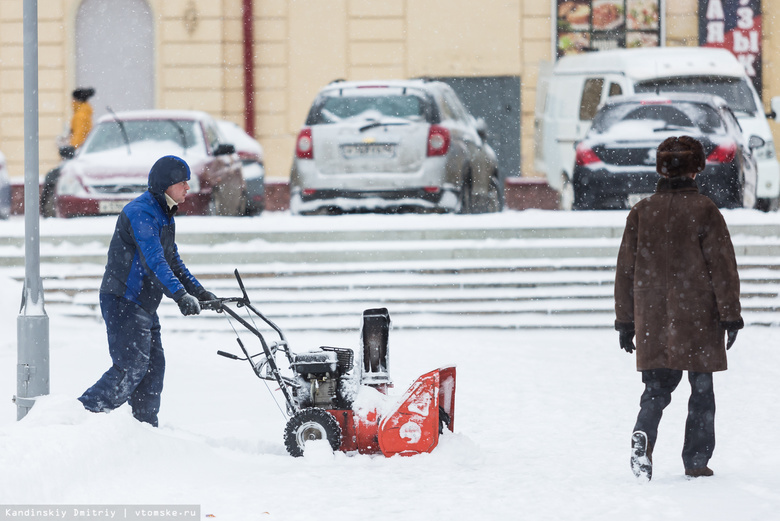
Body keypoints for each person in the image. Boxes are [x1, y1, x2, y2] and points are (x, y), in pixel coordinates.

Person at [614, 136, 743, 481]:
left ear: (661, 169)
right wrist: (730, 314)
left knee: (656, 389)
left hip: (653, 315)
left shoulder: (642, 211)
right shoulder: (705, 210)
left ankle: (644, 432)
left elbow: (625, 271)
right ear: (696, 169)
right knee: (701, 391)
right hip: (699, 314)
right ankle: (696, 461)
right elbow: (723, 268)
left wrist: (625, 321)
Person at [78, 155, 217, 427]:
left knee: (152, 369)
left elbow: (172, 260)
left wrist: (199, 293)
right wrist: (180, 296)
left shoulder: (164, 213)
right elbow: (153, 261)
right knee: (131, 368)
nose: (188, 187)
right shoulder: (141, 212)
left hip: (142, 304)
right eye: (182, 182)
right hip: (124, 300)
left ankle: (144, 429)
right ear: (166, 185)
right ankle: (82, 416)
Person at [40, 87, 96, 217]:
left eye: (72, 99)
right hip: (79, 154)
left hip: (76, 156)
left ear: (75, 100)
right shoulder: (85, 113)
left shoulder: (80, 116)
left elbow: (79, 137)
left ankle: (48, 212)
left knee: (51, 178)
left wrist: (71, 150)